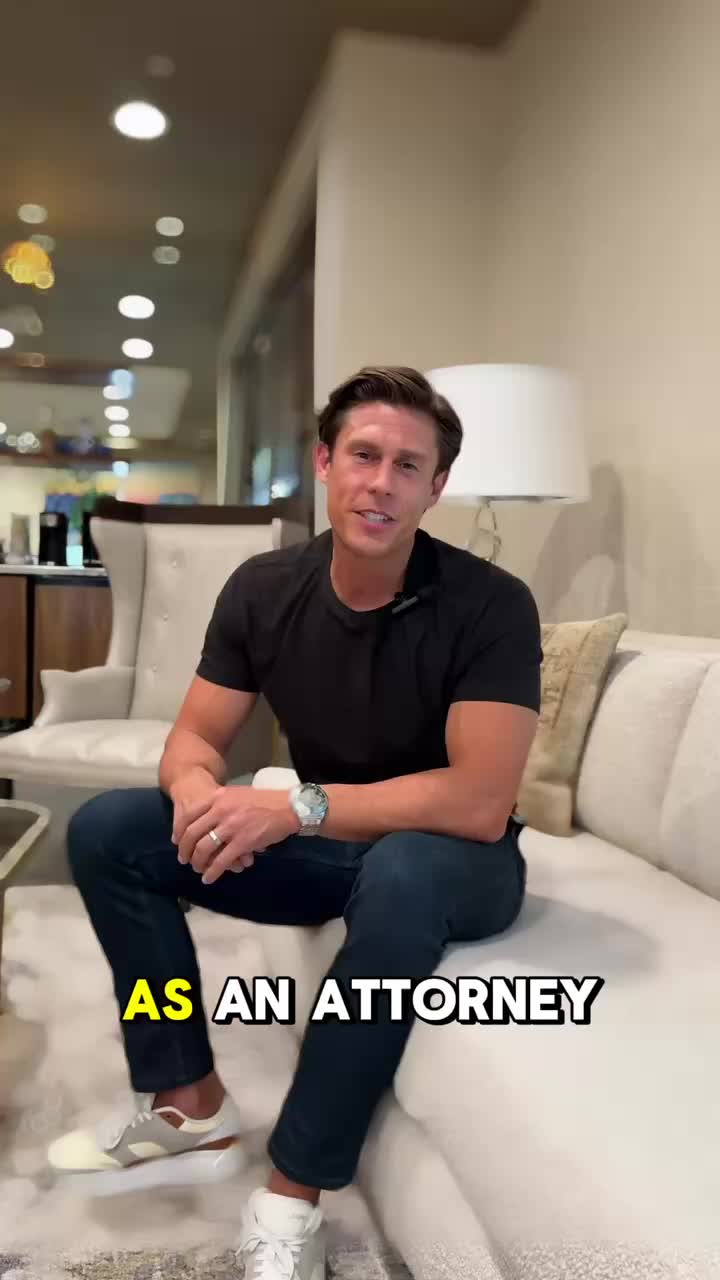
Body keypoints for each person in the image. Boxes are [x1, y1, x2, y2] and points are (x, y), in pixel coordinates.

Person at [48, 366, 543, 1279]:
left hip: (456, 862)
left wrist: (295, 807)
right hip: (332, 848)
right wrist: (197, 796)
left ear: (435, 488)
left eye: (407, 466)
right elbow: (194, 739)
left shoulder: (492, 605)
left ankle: (292, 1192)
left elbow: (477, 802)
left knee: (404, 868)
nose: (380, 483)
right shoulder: (265, 588)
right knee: (111, 830)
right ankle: (188, 1103)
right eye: (363, 455)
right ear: (325, 462)